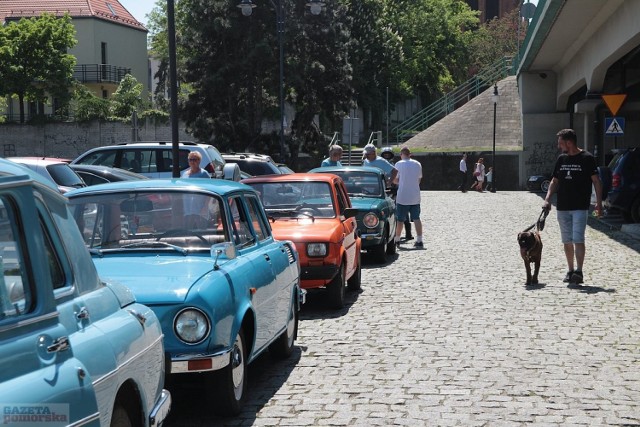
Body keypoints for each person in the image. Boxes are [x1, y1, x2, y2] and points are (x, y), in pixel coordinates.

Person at [542, 128, 602, 285]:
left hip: (580, 207)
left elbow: (596, 181)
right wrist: (547, 199)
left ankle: (579, 271)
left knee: (578, 238)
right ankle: (570, 270)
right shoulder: (561, 159)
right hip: (562, 207)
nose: (559, 146)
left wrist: (599, 205)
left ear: (569, 142)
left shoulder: (587, 158)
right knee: (566, 240)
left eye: (561, 143)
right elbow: (555, 181)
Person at [393, 147, 423, 248]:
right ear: (409, 154)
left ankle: (397, 239)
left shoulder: (398, 164)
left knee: (400, 220)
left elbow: (395, 180)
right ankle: (419, 240)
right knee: (416, 218)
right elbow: (419, 179)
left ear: (401, 154)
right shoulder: (417, 164)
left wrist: (399, 182)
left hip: (402, 196)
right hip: (415, 196)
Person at [380, 147, 413, 241]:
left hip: (395, 190)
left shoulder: (395, 165)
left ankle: (408, 232)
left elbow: (399, 178)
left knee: (403, 211)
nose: (386, 157)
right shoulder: (380, 165)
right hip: (384, 190)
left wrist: (395, 187)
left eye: (388, 155)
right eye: (385, 155)